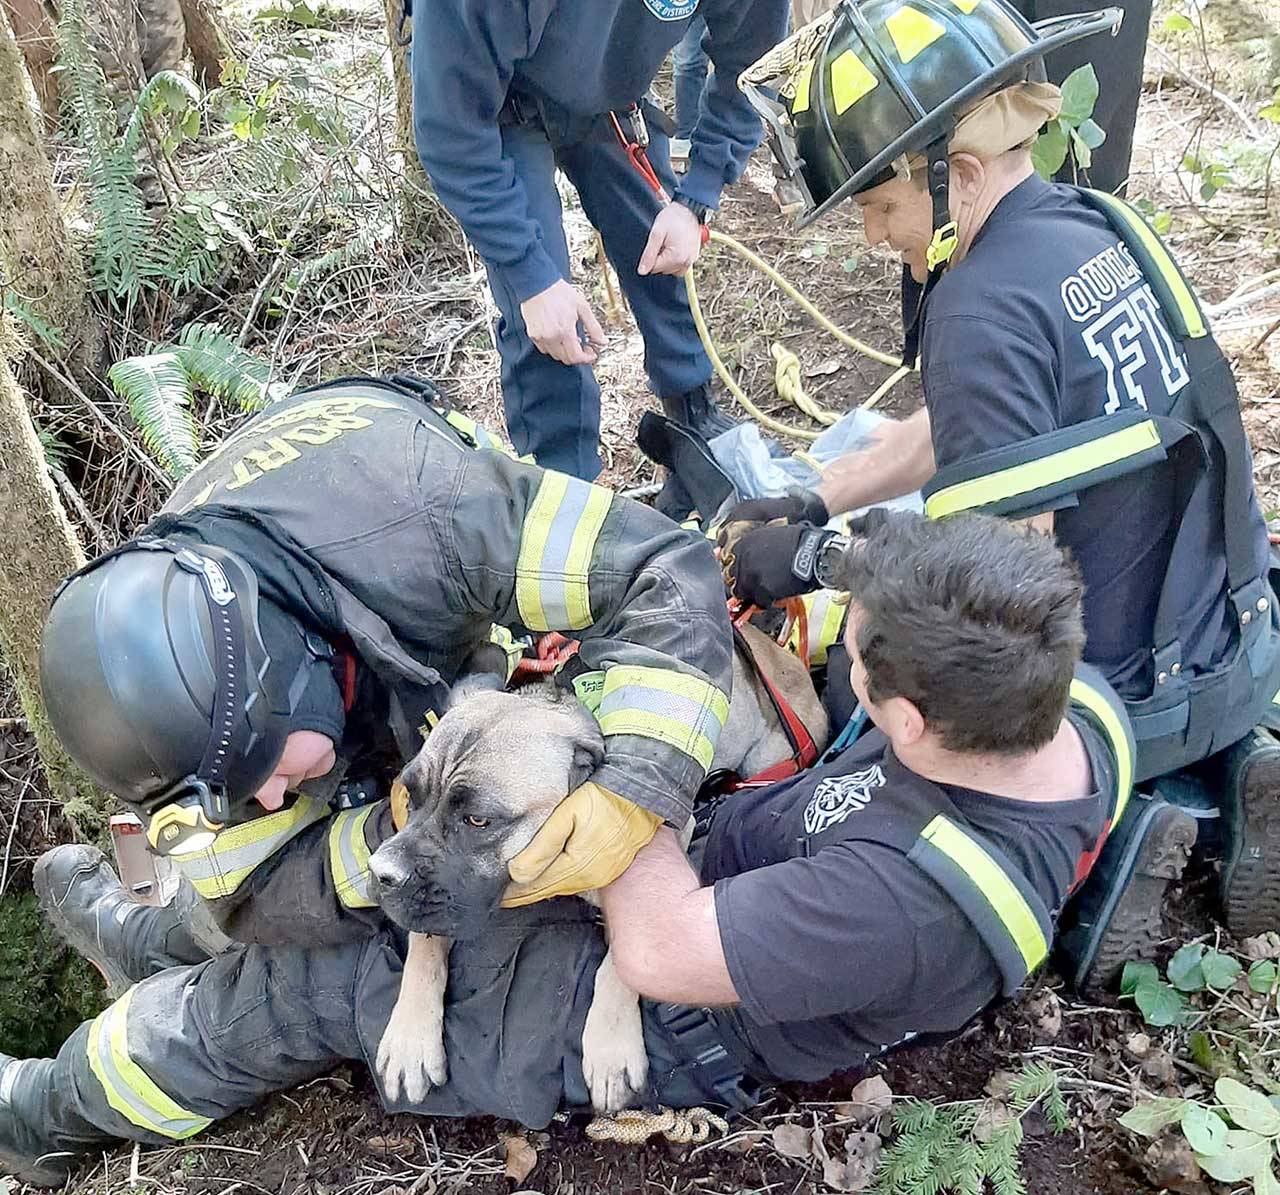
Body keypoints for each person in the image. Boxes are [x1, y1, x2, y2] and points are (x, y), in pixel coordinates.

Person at [0, 512, 1132, 1186]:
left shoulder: (907, 906)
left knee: (317, 982)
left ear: (911, 724)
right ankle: (148, 935)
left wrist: (627, 778)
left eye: (863, 665)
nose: (849, 657)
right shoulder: (1051, 697)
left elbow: (658, 951)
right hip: (695, 871)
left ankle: (48, 1113)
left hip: (674, 1003)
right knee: (385, 886)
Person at [725, 0, 1280, 987]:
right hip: (1233, 635)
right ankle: (1228, 760)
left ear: (960, 174)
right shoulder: (1090, 226)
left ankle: (1099, 845)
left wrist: (818, 562)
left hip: (1119, 699)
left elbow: (995, 600)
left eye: (880, 203)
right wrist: (818, 494)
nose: (871, 234)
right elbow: (971, 422)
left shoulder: (976, 310)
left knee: (877, 686)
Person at [32, 373, 734, 984]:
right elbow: (247, 888)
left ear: (292, 678)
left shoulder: (434, 516)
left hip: (414, 578)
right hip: (358, 671)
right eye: (242, 788)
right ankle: (145, 942)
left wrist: (632, 790)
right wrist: (405, 835)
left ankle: (150, 945)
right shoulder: (164, 702)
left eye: (262, 769)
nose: (268, 797)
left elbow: (663, 569)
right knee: (257, 935)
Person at [410, 1, 788, 485]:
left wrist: (696, 199)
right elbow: (451, 126)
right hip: (498, 103)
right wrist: (530, 275)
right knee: (547, 326)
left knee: (657, 250)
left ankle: (693, 422)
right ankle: (563, 486)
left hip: (609, 91)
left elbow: (753, 61)